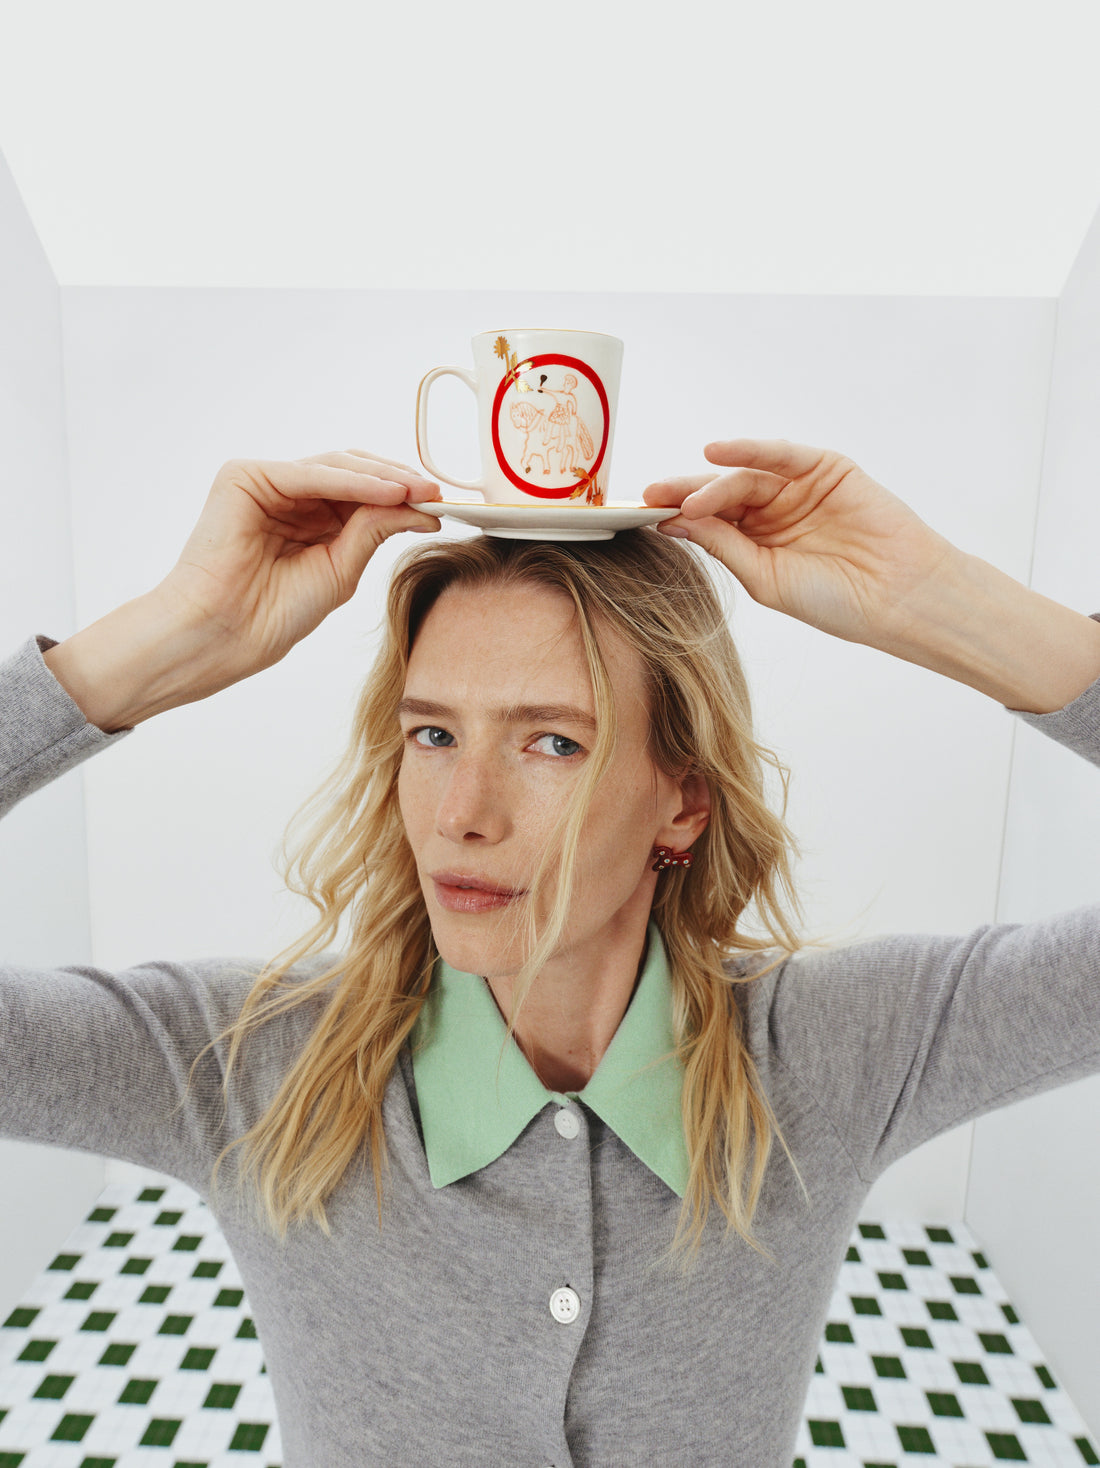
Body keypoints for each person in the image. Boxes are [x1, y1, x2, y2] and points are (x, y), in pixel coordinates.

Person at [2, 440, 1098, 1467]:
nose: (460, 814)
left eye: (552, 742)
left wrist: (946, 607)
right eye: (431, 734)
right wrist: (155, 644)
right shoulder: (244, 1063)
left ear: (683, 800)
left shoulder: (831, 1049)